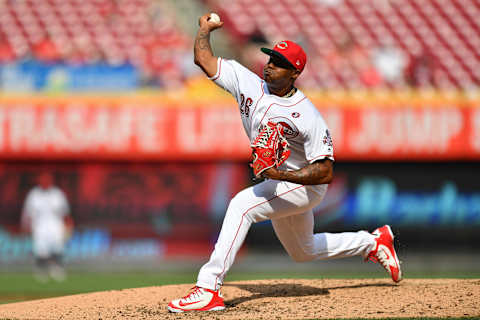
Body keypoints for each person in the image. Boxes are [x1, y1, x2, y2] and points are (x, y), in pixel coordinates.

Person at [168, 13, 402, 313]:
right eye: (270, 58)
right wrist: (204, 30)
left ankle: (208, 288)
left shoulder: (306, 115)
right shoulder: (247, 82)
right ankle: (373, 241)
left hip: (304, 186)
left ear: (295, 73)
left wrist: (279, 174)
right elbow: (204, 58)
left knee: (241, 206)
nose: (270, 65)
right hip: (278, 181)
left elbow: (325, 172)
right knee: (303, 251)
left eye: (279, 63)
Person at [21, 171, 73, 282]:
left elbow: (65, 212)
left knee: (57, 248)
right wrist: (26, 226)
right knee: (41, 250)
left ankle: (57, 271)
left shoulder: (57, 194)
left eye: (47, 179)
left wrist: (69, 224)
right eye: (43, 179)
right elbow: (28, 213)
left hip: (55, 225)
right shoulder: (34, 194)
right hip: (39, 226)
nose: (45, 182)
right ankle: (41, 272)